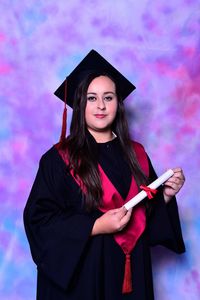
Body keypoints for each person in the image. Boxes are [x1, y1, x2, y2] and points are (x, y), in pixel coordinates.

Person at [23, 50, 185, 300]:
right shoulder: (58, 160)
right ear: (79, 103)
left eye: (108, 97)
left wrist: (165, 196)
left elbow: (145, 220)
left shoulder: (137, 155)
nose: (100, 105)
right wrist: (95, 226)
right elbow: (39, 222)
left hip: (129, 278)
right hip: (82, 281)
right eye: (91, 98)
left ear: (118, 103)